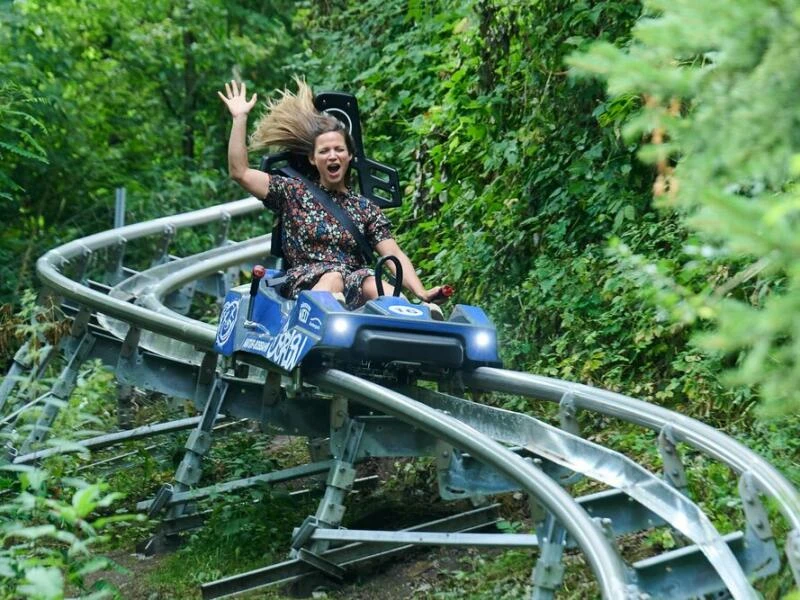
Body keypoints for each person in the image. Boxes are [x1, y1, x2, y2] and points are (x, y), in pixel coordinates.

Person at [218, 78, 446, 311]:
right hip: (307, 281)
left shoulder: (364, 208)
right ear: (313, 158)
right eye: (324, 151)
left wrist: (421, 292)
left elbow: (393, 252)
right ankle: (324, 312)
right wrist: (240, 118)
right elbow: (241, 172)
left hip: (354, 280)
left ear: (349, 156)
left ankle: (411, 317)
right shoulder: (292, 192)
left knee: (377, 286)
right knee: (334, 277)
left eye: (339, 149)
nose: (332, 156)